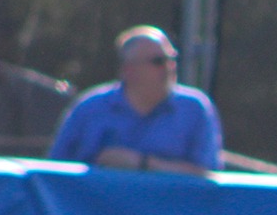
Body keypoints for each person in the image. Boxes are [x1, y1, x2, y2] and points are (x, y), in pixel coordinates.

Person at [47, 26, 223, 175]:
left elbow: (206, 175)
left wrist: (142, 163)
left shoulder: (194, 109)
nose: (169, 68)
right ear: (128, 70)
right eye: (158, 61)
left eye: (172, 59)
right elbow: (55, 172)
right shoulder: (89, 109)